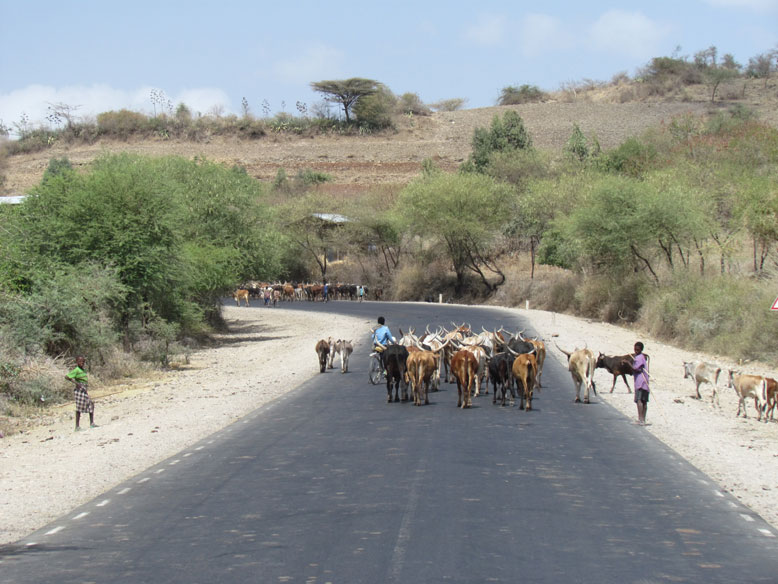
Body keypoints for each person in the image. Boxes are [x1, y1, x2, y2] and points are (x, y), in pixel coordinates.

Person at [65, 356, 96, 431]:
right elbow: (67, 376)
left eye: (83, 362)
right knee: (79, 407)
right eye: (80, 361)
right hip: (79, 390)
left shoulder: (83, 370)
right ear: (77, 362)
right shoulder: (76, 370)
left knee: (91, 404)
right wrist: (76, 383)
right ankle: (77, 426)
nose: (82, 363)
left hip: (84, 389)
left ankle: (92, 423)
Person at [632, 341, 650, 425]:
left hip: (640, 382)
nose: (636, 351)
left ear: (641, 349)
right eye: (635, 349)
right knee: (644, 401)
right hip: (646, 382)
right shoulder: (643, 357)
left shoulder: (638, 358)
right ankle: (643, 419)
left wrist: (628, 363)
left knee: (639, 400)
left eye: (637, 349)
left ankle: (640, 419)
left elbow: (636, 369)